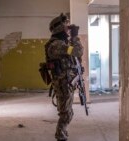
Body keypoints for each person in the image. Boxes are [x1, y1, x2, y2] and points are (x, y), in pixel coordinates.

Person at [45, 13, 84, 141]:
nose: (69, 27)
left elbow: (73, 56)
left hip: (67, 82)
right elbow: (77, 51)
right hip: (62, 83)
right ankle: (60, 136)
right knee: (66, 114)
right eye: (66, 25)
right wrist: (75, 37)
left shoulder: (62, 43)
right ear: (58, 28)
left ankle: (62, 134)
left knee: (68, 113)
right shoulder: (57, 45)